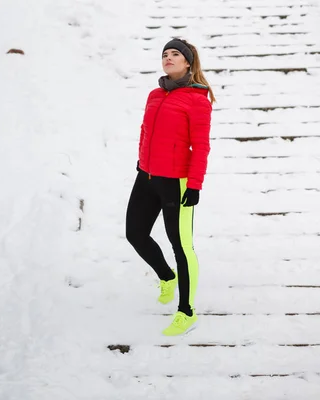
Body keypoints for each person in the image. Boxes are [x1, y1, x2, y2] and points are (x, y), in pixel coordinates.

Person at [126, 38, 215, 336]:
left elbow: (200, 146)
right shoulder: (155, 94)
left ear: (188, 62)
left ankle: (186, 312)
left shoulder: (197, 99)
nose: (168, 57)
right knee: (135, 233)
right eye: (165, 54)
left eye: (175, 54)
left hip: (176, 182)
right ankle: (167, 276)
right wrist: (141, 162)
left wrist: (195, 184)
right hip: (147, 176)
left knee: (182, 246)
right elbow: (145, 130)